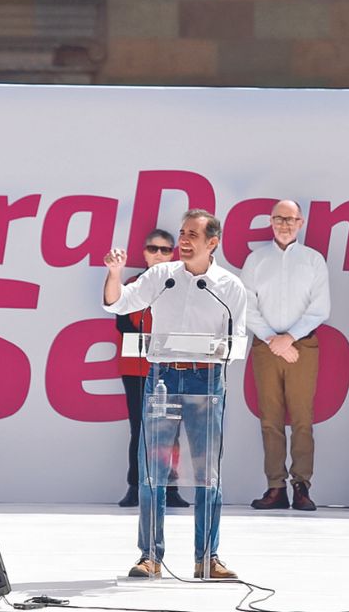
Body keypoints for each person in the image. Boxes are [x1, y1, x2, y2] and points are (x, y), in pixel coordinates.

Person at [103, 209, 247, 580]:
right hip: (163, 377)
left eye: (192, 235)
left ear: (212, 242)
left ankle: (208, 558)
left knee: (208, 474)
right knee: (153, 471)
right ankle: (150, 556)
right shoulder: (161, 277)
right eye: (182, 233)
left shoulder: (230, 286)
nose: (183, 241)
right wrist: (115, 274)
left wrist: (216, 349)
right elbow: (118, 304)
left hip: (207, 381)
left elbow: (236, 342)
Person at [241, 200, 330, 512]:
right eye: (279, 219)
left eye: (291, 219)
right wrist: (271, 338)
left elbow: (320, 308)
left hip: (302, 346)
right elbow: (247, 305)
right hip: (265, 347)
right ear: (270, 221)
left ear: (301, 223)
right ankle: (275, 487)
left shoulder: (313, 260)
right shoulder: (256, 260)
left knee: (303, 419)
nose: (285, 224)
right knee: (270, 420)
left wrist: (289, 339)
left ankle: (301, 486)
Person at [114, 229, 189, 509]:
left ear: (174, 253)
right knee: (140, 428)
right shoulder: (132, 284)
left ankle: (170, 488)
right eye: (153, 248)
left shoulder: (182, 284)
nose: (159, 254)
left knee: (171, 431)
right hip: (136, 368)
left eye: (165, 250)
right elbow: (122, 324)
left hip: (172, 367)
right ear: (144, 252)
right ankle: (136, 486)